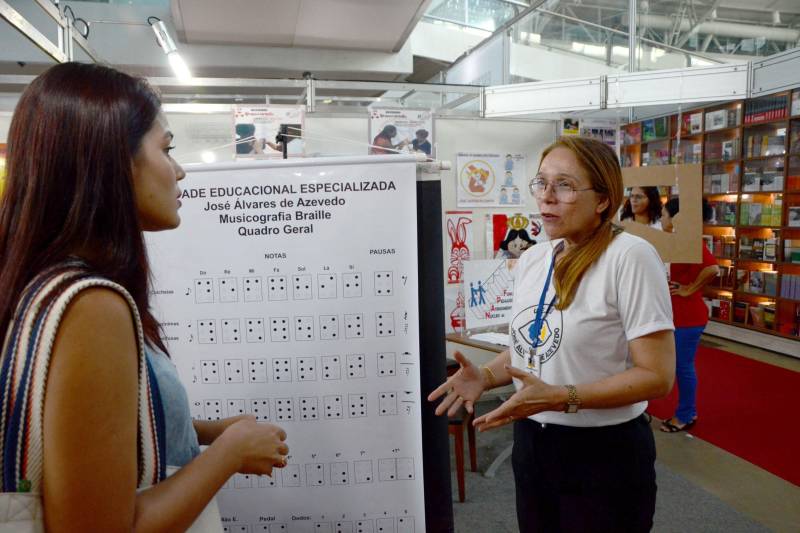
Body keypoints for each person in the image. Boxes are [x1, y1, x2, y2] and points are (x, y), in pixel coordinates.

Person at [0, 62, 289, 531]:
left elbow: (83, 429)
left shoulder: (38, 285)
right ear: (112, 160)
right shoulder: (91, 306)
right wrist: (229, 454)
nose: (179, 172)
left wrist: (202, 432)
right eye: (166, 149)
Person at [429, 136, 675, 532]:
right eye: (541, 183)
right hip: (535, 444)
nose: (546, 198)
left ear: (602, 199)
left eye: (564, 185)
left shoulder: (629, 256)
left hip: (604, 453)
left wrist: (564, 398)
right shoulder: (534, 257)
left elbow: (657, 376)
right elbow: (532, 345)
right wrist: (488, 375)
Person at [659, 197, 720, 433]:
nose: (662, 219)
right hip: (675, 316)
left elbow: (713, 268)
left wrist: (689, 289)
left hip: (688, 317)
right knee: (676, 365)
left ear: (677, 218)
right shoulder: (676, 242)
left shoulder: (689, 242)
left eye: (664, 214)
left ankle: (686, 414)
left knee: (683, 367)